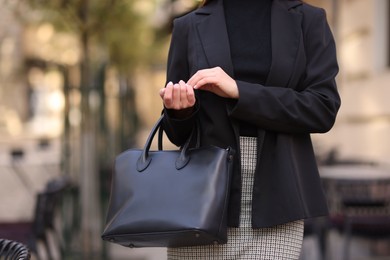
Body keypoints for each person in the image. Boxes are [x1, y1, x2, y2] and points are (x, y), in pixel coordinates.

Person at [159, 0, 340, 259]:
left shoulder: (308, 20)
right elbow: (178, 135)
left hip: (277, 204)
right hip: (201, 204)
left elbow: (323, 108)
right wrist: (180, 110)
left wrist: (240, 91)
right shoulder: (188, 25)